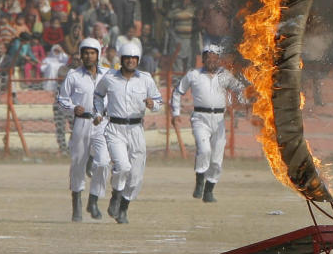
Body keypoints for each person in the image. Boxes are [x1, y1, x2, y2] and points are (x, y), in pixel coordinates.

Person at [92, 41, 162, 224]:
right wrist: (98, 112)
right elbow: (98, 95)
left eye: (134, 58)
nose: (130, 61)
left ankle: (124, 207)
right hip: (115, 128)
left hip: (136, 129)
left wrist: (152, 104)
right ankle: (116, 194)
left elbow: (158, 101)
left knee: (136, 176)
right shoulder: (110, 77)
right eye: (127, 58)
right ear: (121, 59)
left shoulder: (146, 79)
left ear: (138, 60)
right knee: (122, 166)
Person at [170, 44, 247, 202]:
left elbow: (239, 89)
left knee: (217, 157)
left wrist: (245, 99)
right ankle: (199, 182)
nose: (211, 60)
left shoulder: (225, 75)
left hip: (219, 119)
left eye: (214, 57)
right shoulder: (194, 74)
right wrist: (175, 113)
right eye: (208, 57)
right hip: (200, 117)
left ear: (218, 59)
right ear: (203, 58)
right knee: (204, 150)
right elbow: (178, 92)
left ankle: (209, 190)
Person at [57, 38, 111, 222]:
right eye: (85, 53)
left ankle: (94, 200)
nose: (89, 56)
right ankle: (77, 204)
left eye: (92, 52)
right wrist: (73, 108)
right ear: (81, 55)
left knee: (103, 162)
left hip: (101, 122)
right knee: (78, 163)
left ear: (98, 54)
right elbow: (63, 99)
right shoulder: (73, 75)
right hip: (81, 122)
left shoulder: (108, 75)